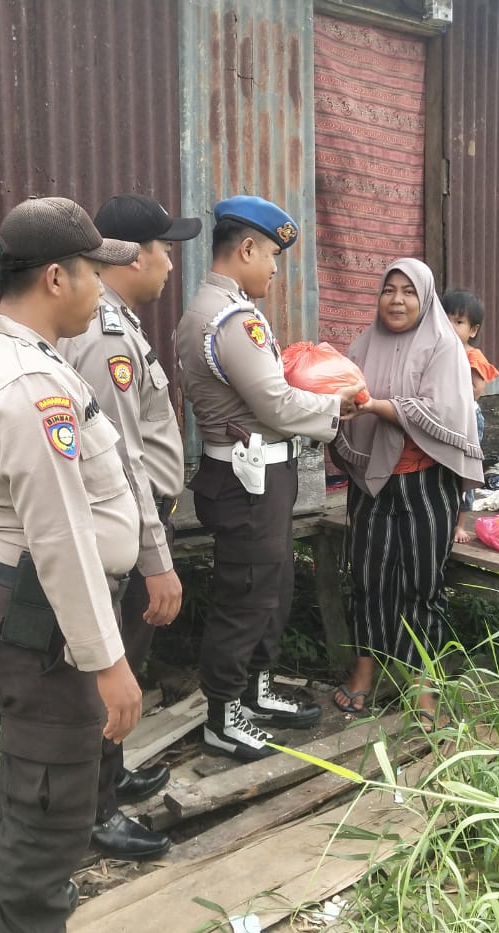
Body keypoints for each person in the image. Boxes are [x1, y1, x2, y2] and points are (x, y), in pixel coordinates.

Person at [0, 197, 146, 933]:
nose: (104, 287)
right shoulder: (30, 386)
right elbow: (59, 540)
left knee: (27, 784)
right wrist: (109, 662)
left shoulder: (34, 359)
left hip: (35, 611)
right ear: (57, 276)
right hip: (47, 627)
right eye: (96, 271)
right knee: (52, 807)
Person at [177, 195, 362, 762]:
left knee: (271, 588)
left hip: (253, 474)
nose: (276, 269)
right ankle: (223, 717)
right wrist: (337, 406)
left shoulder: (217, 310)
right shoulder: (230, 318)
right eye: (272, 256)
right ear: (248, 248)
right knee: (247, 595)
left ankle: (253, 692)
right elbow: (276, 404)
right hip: (246, 477)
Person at [59, 193, 201, 861]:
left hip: (135, 520)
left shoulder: (116, 324)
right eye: (165, 249)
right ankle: (94, 812)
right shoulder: (106, 336)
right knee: (108, 670)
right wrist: (154, 554)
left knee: (126, 663)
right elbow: (122, 458)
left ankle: (109, 778)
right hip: (125, 525)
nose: (171, 263)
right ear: (133, 255)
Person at [329, 259, 484, 729]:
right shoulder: (361, 345)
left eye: (408, 292)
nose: (396, 300)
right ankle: (364, 674)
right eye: (388, 290)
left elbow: (441, 411)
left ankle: (422, 684)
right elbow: (339, 392)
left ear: (425, 298)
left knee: (423, 584)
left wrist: (376, 405)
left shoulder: (443, 346)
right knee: (369, 579)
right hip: (371, 483)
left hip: (426, 481)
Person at [442, 288, 499, 543]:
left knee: (465, 469)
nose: (451, 326)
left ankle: (460, 525)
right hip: (445, 419)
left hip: (467, 419)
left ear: (472, 330)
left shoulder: (471, 355)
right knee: (446, 469)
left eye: (459, 322)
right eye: (446, 320)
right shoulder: (439, 353)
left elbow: (477, 390)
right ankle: (445, 517)